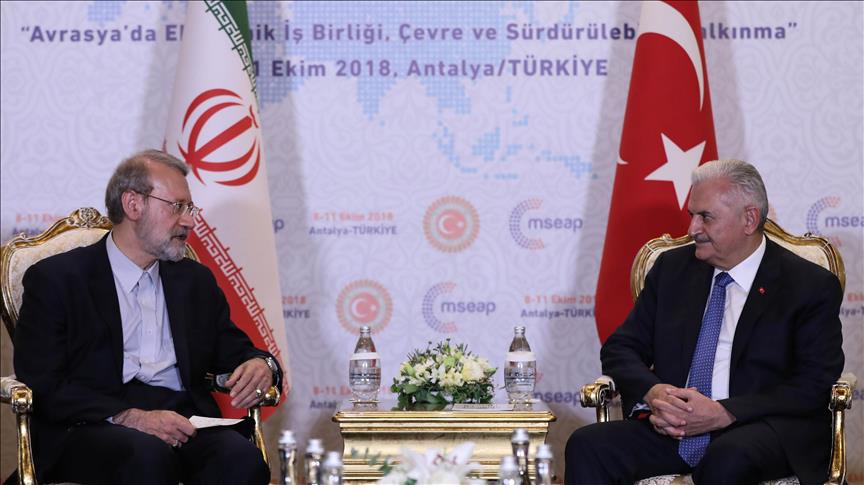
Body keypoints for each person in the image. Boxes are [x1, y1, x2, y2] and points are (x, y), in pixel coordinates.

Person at [13, 149, 284, 485]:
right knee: (145, 457)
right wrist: (129, 416)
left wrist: (262, 365)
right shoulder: (58, 280)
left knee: (241, 459)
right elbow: (43, 382)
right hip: (92, 425)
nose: (189, 221)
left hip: (182, 421)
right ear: (133, 205)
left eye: (190, 209)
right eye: (177, 206)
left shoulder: (194, 281)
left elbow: (237, 350)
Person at [565, 159, 844, 485]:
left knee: (728, 457)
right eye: (692, 215)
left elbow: (814, 382)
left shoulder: (807, 284)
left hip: (759, 427)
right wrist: (655, 393)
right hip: (675, 429)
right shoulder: (672, 269)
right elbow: (620, 348)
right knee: (588, 445)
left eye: (706, 217)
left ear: (749, 219)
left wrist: (725, 412)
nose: (692, 229)